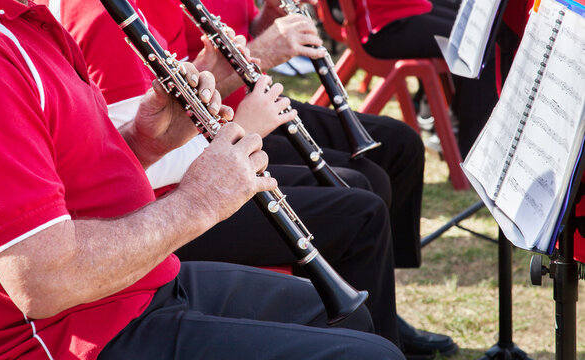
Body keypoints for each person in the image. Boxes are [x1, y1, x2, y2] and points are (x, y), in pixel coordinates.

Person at [0, 0, 408, 358]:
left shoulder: (31, 22)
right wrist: (201, 198)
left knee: (348, 315)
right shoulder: (21, 45)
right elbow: (44, 281)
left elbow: (69, 176)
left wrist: (145, 143)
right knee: (372, 351)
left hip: (137, 281)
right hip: (77, 332)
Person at [136, 0, 457, 359]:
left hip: (228, 123)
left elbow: (188, 88)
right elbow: (146, 141)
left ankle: (382, 311)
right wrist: (244, 120)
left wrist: (266, 21)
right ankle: (372, 329)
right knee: (363, 197)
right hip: (186, 180)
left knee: (394, 151)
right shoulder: (116, 16)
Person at [348, 0, 499, 157]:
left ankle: (459, 132)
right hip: (384, 25)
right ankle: (473, 151)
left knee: (480, 32)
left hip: (401, 9)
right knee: (481, 49)